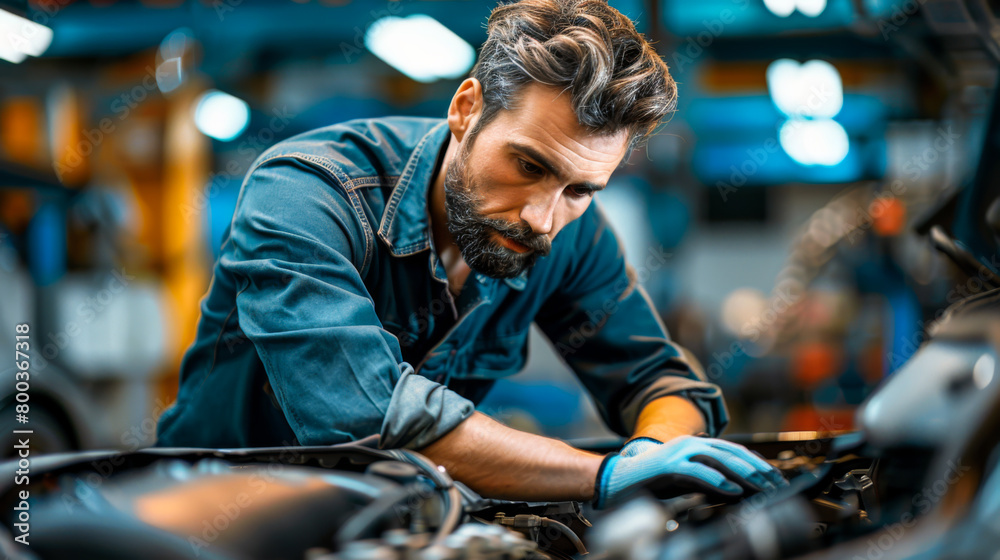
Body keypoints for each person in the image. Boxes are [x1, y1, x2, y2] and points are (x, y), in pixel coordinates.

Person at [156, 0, 786, 508]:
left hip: (388, 525)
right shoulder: (304, 193)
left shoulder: (570, 233)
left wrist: (652, 452)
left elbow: (662, 382)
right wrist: (603, 477)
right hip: (197, 524)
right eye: (529, 164)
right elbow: (373, 419)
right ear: (466, 109)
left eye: (579, 190)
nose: (543, 218)